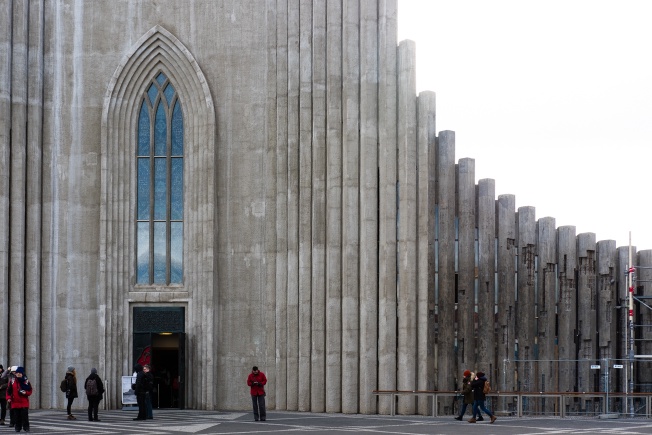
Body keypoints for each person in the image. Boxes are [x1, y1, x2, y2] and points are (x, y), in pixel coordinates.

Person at [6, 366, 32, 432]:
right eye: (17, 373)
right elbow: (8, 391)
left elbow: (30, 391)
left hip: (24, 402)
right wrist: (8, 398)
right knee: (17, 416)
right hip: (15, 402)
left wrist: (25, 393)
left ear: (22, 373)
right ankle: (18, 427)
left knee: (25, 416)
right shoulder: (12, 381)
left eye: (19, 373)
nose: (18, 374)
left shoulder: (26, 381)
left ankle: (26, 427)